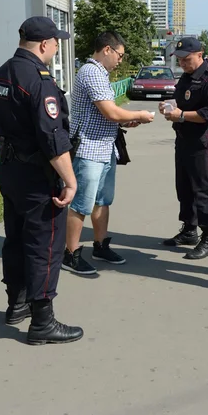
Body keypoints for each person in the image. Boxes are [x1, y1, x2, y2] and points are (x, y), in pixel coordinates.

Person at [0, 16, 83, 345]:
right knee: (44, 245)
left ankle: (17, 303)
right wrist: (69, 181)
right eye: (57, 42)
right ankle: (42, 321)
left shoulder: (1, 73)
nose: (57, 47)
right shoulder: (38, 80)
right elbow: (52, 138)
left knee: (16, 238)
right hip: (37, 175)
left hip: (10, 168)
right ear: (44, 44)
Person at [62, 31, 154, 276]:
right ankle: (70, 253)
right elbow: (110, 112)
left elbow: (107, 115)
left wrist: (124, 122)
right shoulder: (91, 72)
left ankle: (100, 246)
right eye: (120, 55)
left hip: (104, 147)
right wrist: (139, 115)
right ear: (107, 50)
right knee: (81, 203)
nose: (120, 61)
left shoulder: (100, 74)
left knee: (102, 201)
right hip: (89, 149)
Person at [160, 37, 208, 260]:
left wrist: (180, 115)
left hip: (202, 142)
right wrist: (170, 105)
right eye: (179, 60)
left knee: (203, 191)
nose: (182, 64)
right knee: (184, 187)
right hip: (184, 139)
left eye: (186, 59)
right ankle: (190, 229)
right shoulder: (186, 79)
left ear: (200, 54)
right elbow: (181, 102)